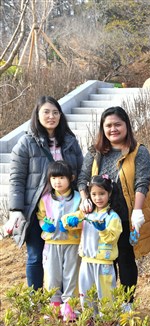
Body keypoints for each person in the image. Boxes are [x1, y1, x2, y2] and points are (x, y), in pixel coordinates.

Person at [77, 106, 150, 309]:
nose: (113, 129)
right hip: (99, 218)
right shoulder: (95, 152)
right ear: (102, 128)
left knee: (125, 258)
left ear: (126, 126)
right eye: (108, 125)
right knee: (103, 261)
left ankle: (127, 303)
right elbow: (82, 178)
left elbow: (142, 182)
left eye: (117, 124)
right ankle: (106, 302)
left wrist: (138, 211)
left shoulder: (138, 151)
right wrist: (84, 198)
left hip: (125, 216)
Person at [4, 95, 83, 290]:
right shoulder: (26, 143)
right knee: (35, 255)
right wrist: (15, 209)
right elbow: (17, 178)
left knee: (66, 254)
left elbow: (81, 172)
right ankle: (35, 297)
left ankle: (64, 298)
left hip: (66, 207)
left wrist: (84, 197)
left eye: (55, 112)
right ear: (37, 115)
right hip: (36, 208)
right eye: (46, 112)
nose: (51, 116)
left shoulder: (70, 142)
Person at [62, 175, 123, 326]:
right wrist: (74, 219)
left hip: (104, 262)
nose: (98, 198)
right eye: (94, 194)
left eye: (101, 194)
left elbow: (112, 238)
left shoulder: (113, 217)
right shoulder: (87, 213)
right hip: (86, 260)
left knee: (105, 293)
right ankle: (90, 318)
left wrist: (102, 229)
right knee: (86, 292)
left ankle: (109, 321)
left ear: (109, 193)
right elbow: (66, 222)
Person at [37, 161, 82, 319]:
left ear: (71, 178)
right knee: (51, 274)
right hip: (52, 244)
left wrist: (74, 224)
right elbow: (41, 217)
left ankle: (69, 308)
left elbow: (83, 218)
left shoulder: (78, 198)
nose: (57, 181)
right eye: (54, 178)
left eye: (61, 177)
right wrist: (44, 226)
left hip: (72, 243)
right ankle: (54, 306)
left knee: (71, 275)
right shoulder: (46, 199)